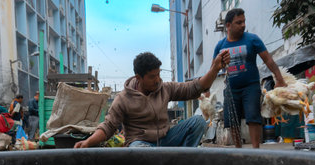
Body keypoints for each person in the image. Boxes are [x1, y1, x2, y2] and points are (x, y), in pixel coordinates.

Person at [75, 51, 230, 148]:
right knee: (137, 149)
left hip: (166, 139)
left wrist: (215, 68)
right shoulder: (123, 99)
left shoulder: (165, 88)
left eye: (158, 74)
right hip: (140, 143)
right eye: (152, 77)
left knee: (197, 122)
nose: (157, 80)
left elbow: (195, 87)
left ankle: (183, 161)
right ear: (139, 78)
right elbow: (108, 126)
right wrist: (88, 142)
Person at [213, 8, 287, 148]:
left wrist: (279, 79)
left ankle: (255, 150)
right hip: (230, 88)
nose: (243, 25)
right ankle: (238, 150)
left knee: (253, 118)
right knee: (232, 121)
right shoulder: (220, 46)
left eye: (244, 22)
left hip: (251, 86)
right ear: (228, 25)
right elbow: (214, 68)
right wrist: (205, 91)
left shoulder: (252, 39)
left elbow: (268, 60)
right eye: (238, 22)